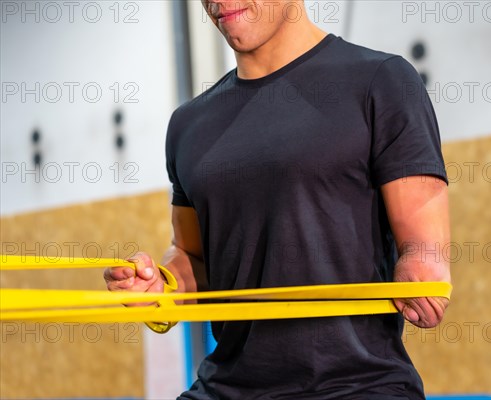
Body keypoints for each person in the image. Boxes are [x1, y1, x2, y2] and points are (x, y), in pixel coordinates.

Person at [104, 0, 451, 398]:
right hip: (228, 387)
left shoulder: (380, 81)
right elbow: (193, 258)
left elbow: (423, 245)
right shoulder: (188, 124)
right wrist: (159, 289)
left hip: (355, 385)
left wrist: (422, 263)